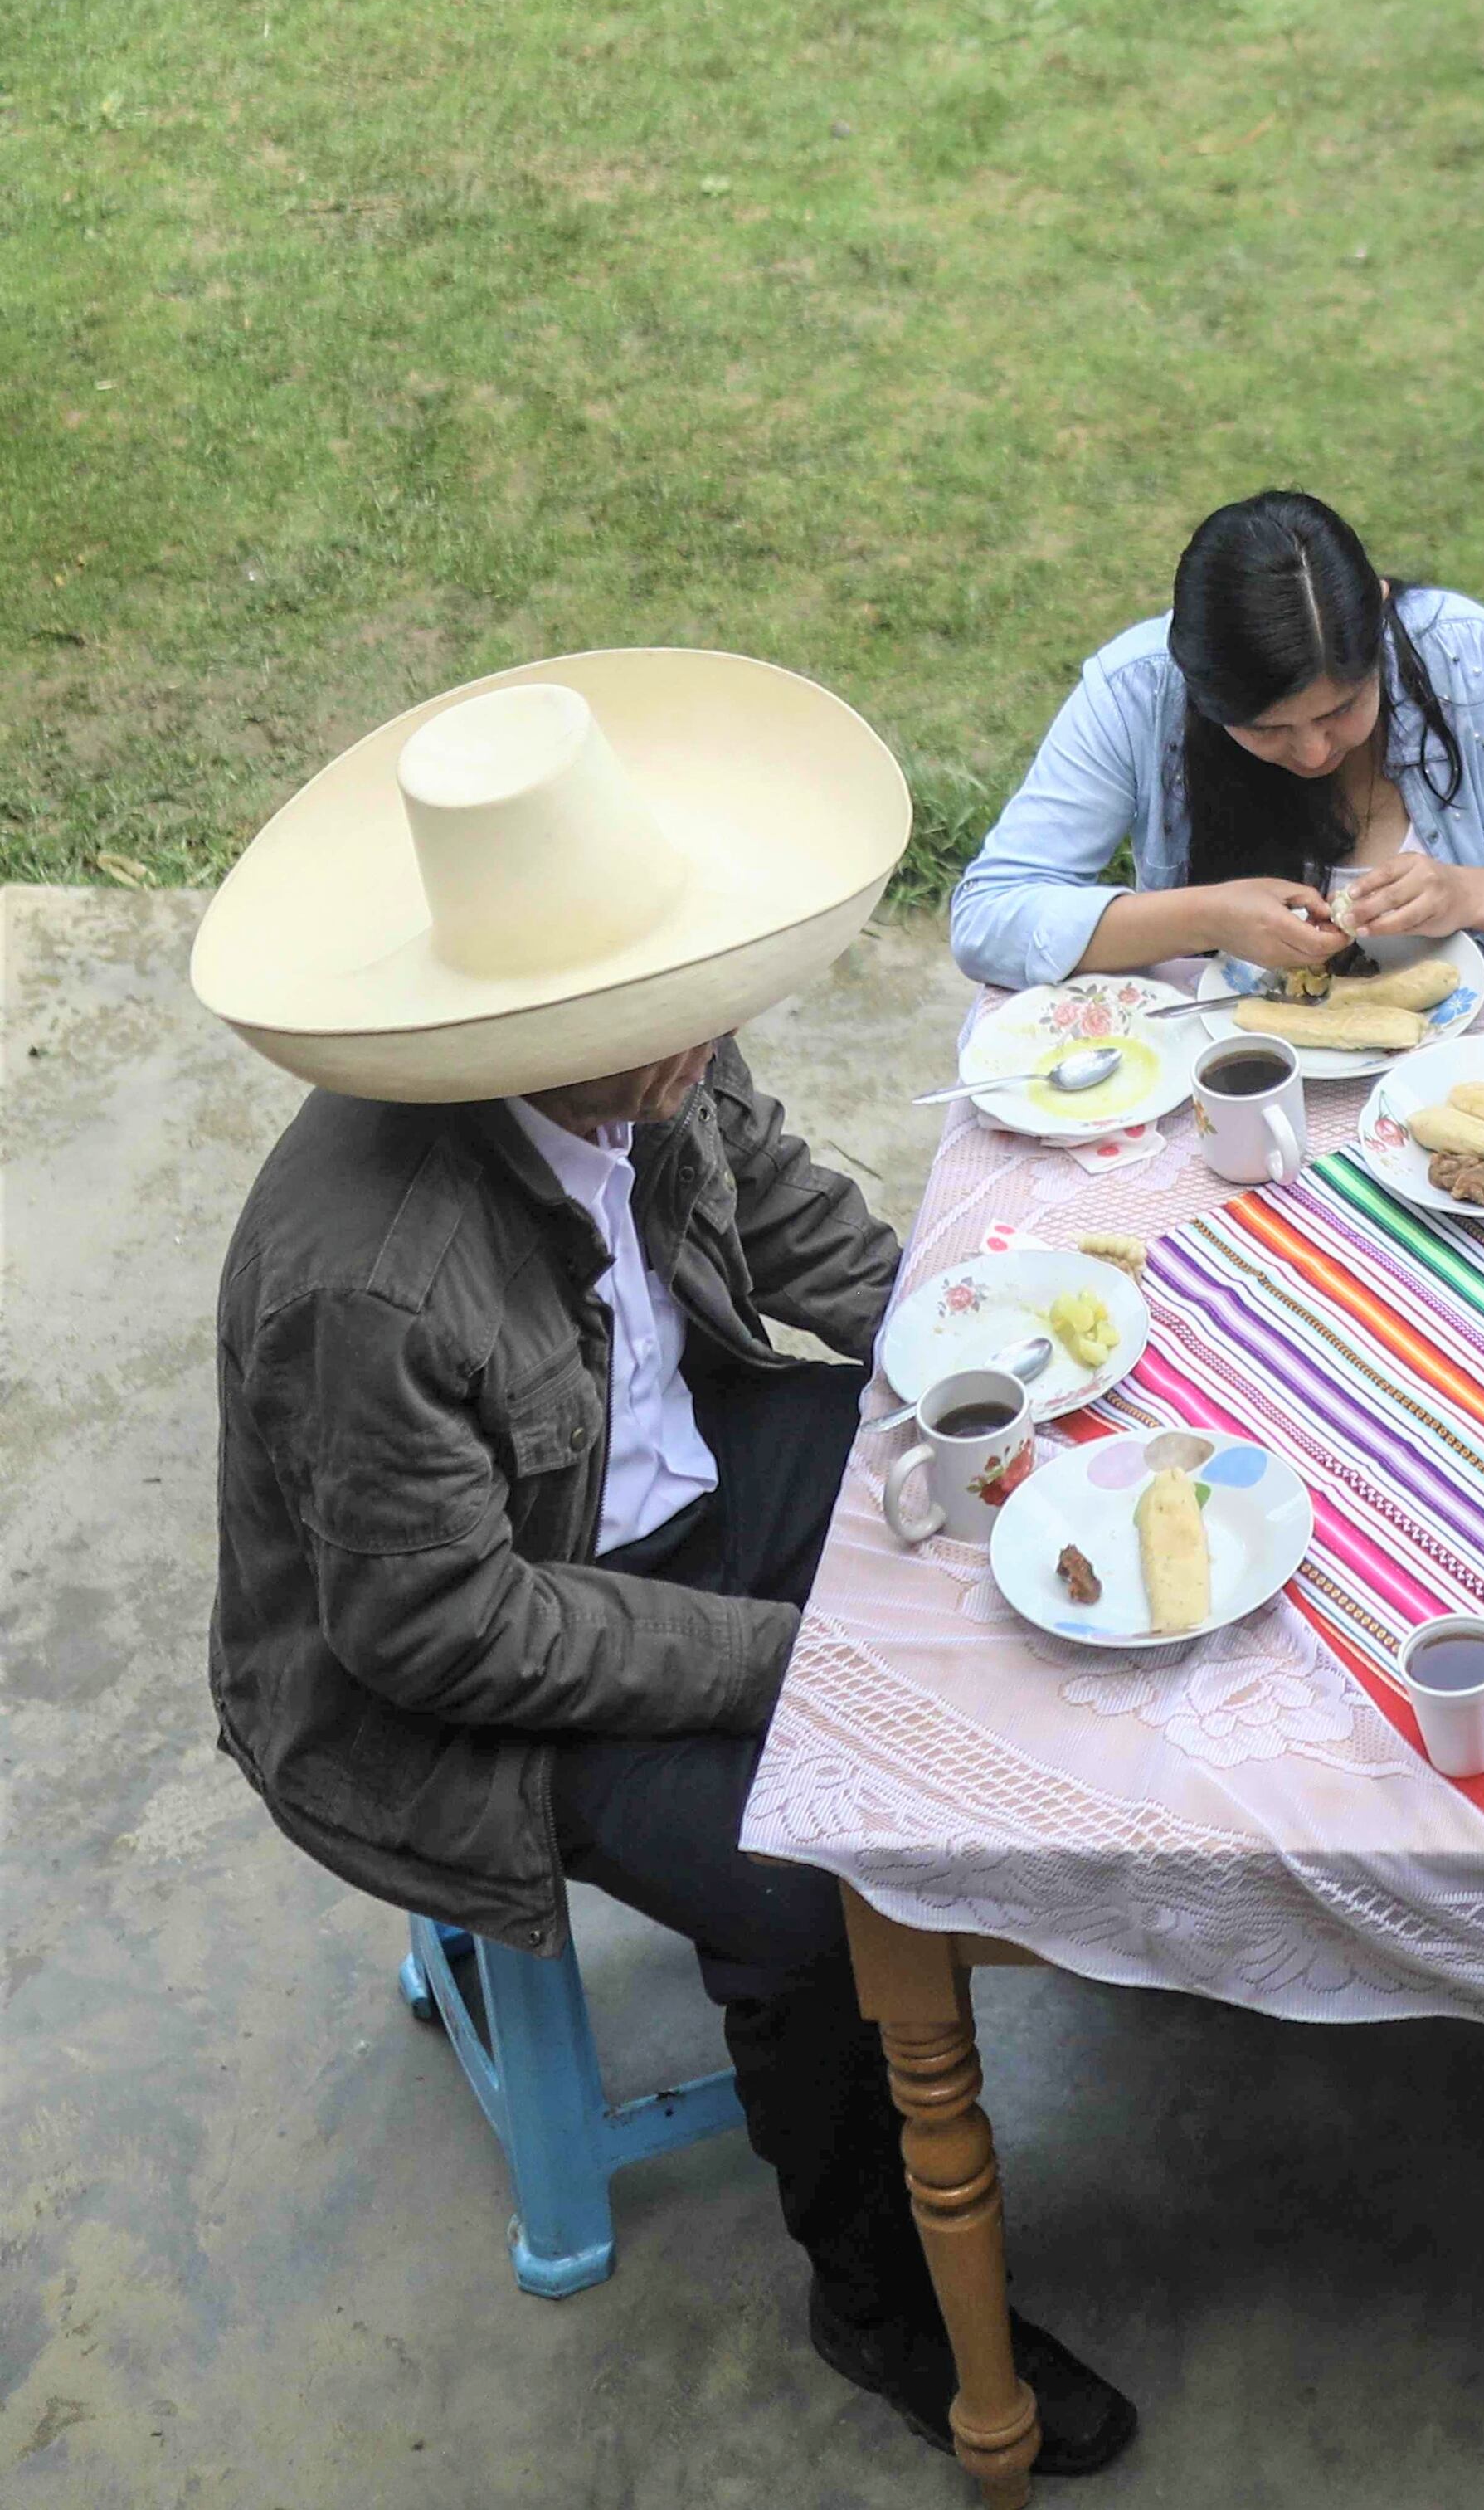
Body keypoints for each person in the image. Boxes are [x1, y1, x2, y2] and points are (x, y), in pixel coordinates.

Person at [194, 653, 1136, 2473]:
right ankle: (878, 2290)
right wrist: (782, 1655)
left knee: (989, 1526)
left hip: (666, 1477)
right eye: (658, 1011)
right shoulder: (370, 1279)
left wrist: (984, 1373)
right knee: (809, 1889)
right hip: (467, 1679)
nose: (703, 1032)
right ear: (511, 1029)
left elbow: (791, 1216)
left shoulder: (657, 1037)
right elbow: (437, 1625)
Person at [950, 490, 1484, 989]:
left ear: (1380, 631)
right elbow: (988, 917)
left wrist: (1473, 895)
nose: (1315, 752)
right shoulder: (1137, 689)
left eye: (1343, 710)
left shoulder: (1466, 654)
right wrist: (1204, 917)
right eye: (1267, 729)